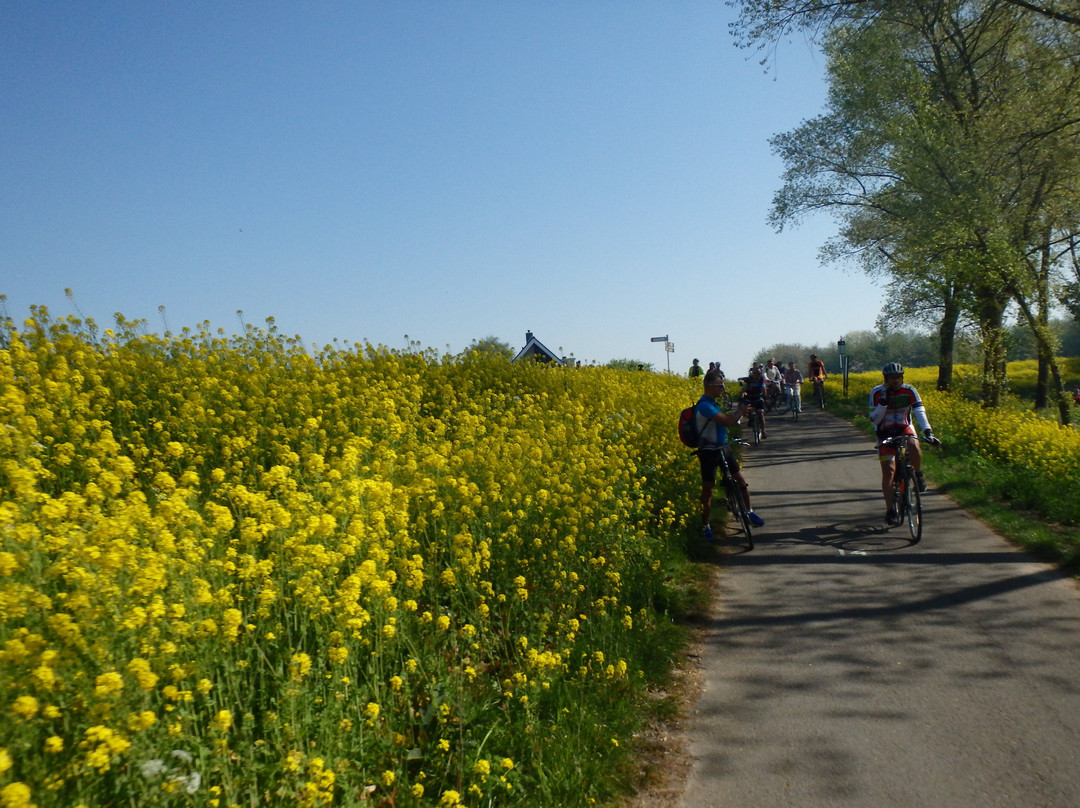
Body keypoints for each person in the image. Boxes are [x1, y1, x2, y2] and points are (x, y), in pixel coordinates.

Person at [695, 370, 765, 541]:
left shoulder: (713, 402)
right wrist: (740, 411)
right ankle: (706, 526)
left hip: (723, 447)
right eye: (719, 385)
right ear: (709, 386)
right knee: (708, 490)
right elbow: (726, 422)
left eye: (722, 384)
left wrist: (740, 412)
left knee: (740, 480)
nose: (722, 388)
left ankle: (749, 512)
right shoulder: (704, 405)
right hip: (708, 452)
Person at [869, 362, 942, 525]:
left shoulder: (909, 390)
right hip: (884, 432)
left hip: (904, 427)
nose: (895, 381)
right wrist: (883, 402)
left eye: (898, 378)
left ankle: (918, 474)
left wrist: (928, 432)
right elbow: (874, 419)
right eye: (892, 378)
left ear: (902, 378)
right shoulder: (876, 392)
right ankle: (890, 510)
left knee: (914, 445)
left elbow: (919, 411)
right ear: (885, 379)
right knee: (889, 471)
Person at [741, 365, 769, 439]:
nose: (758, 375)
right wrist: (742, 394)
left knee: (760, 413)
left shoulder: (761, 379)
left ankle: (763, 431)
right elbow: (744, 388)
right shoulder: (748, 380)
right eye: (756, 373)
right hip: (750, 397)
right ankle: (751, 420)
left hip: (758, 397)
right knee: (748, 411)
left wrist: (765, 395)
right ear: (753, 373)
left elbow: (763, 387)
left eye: (759, 373)